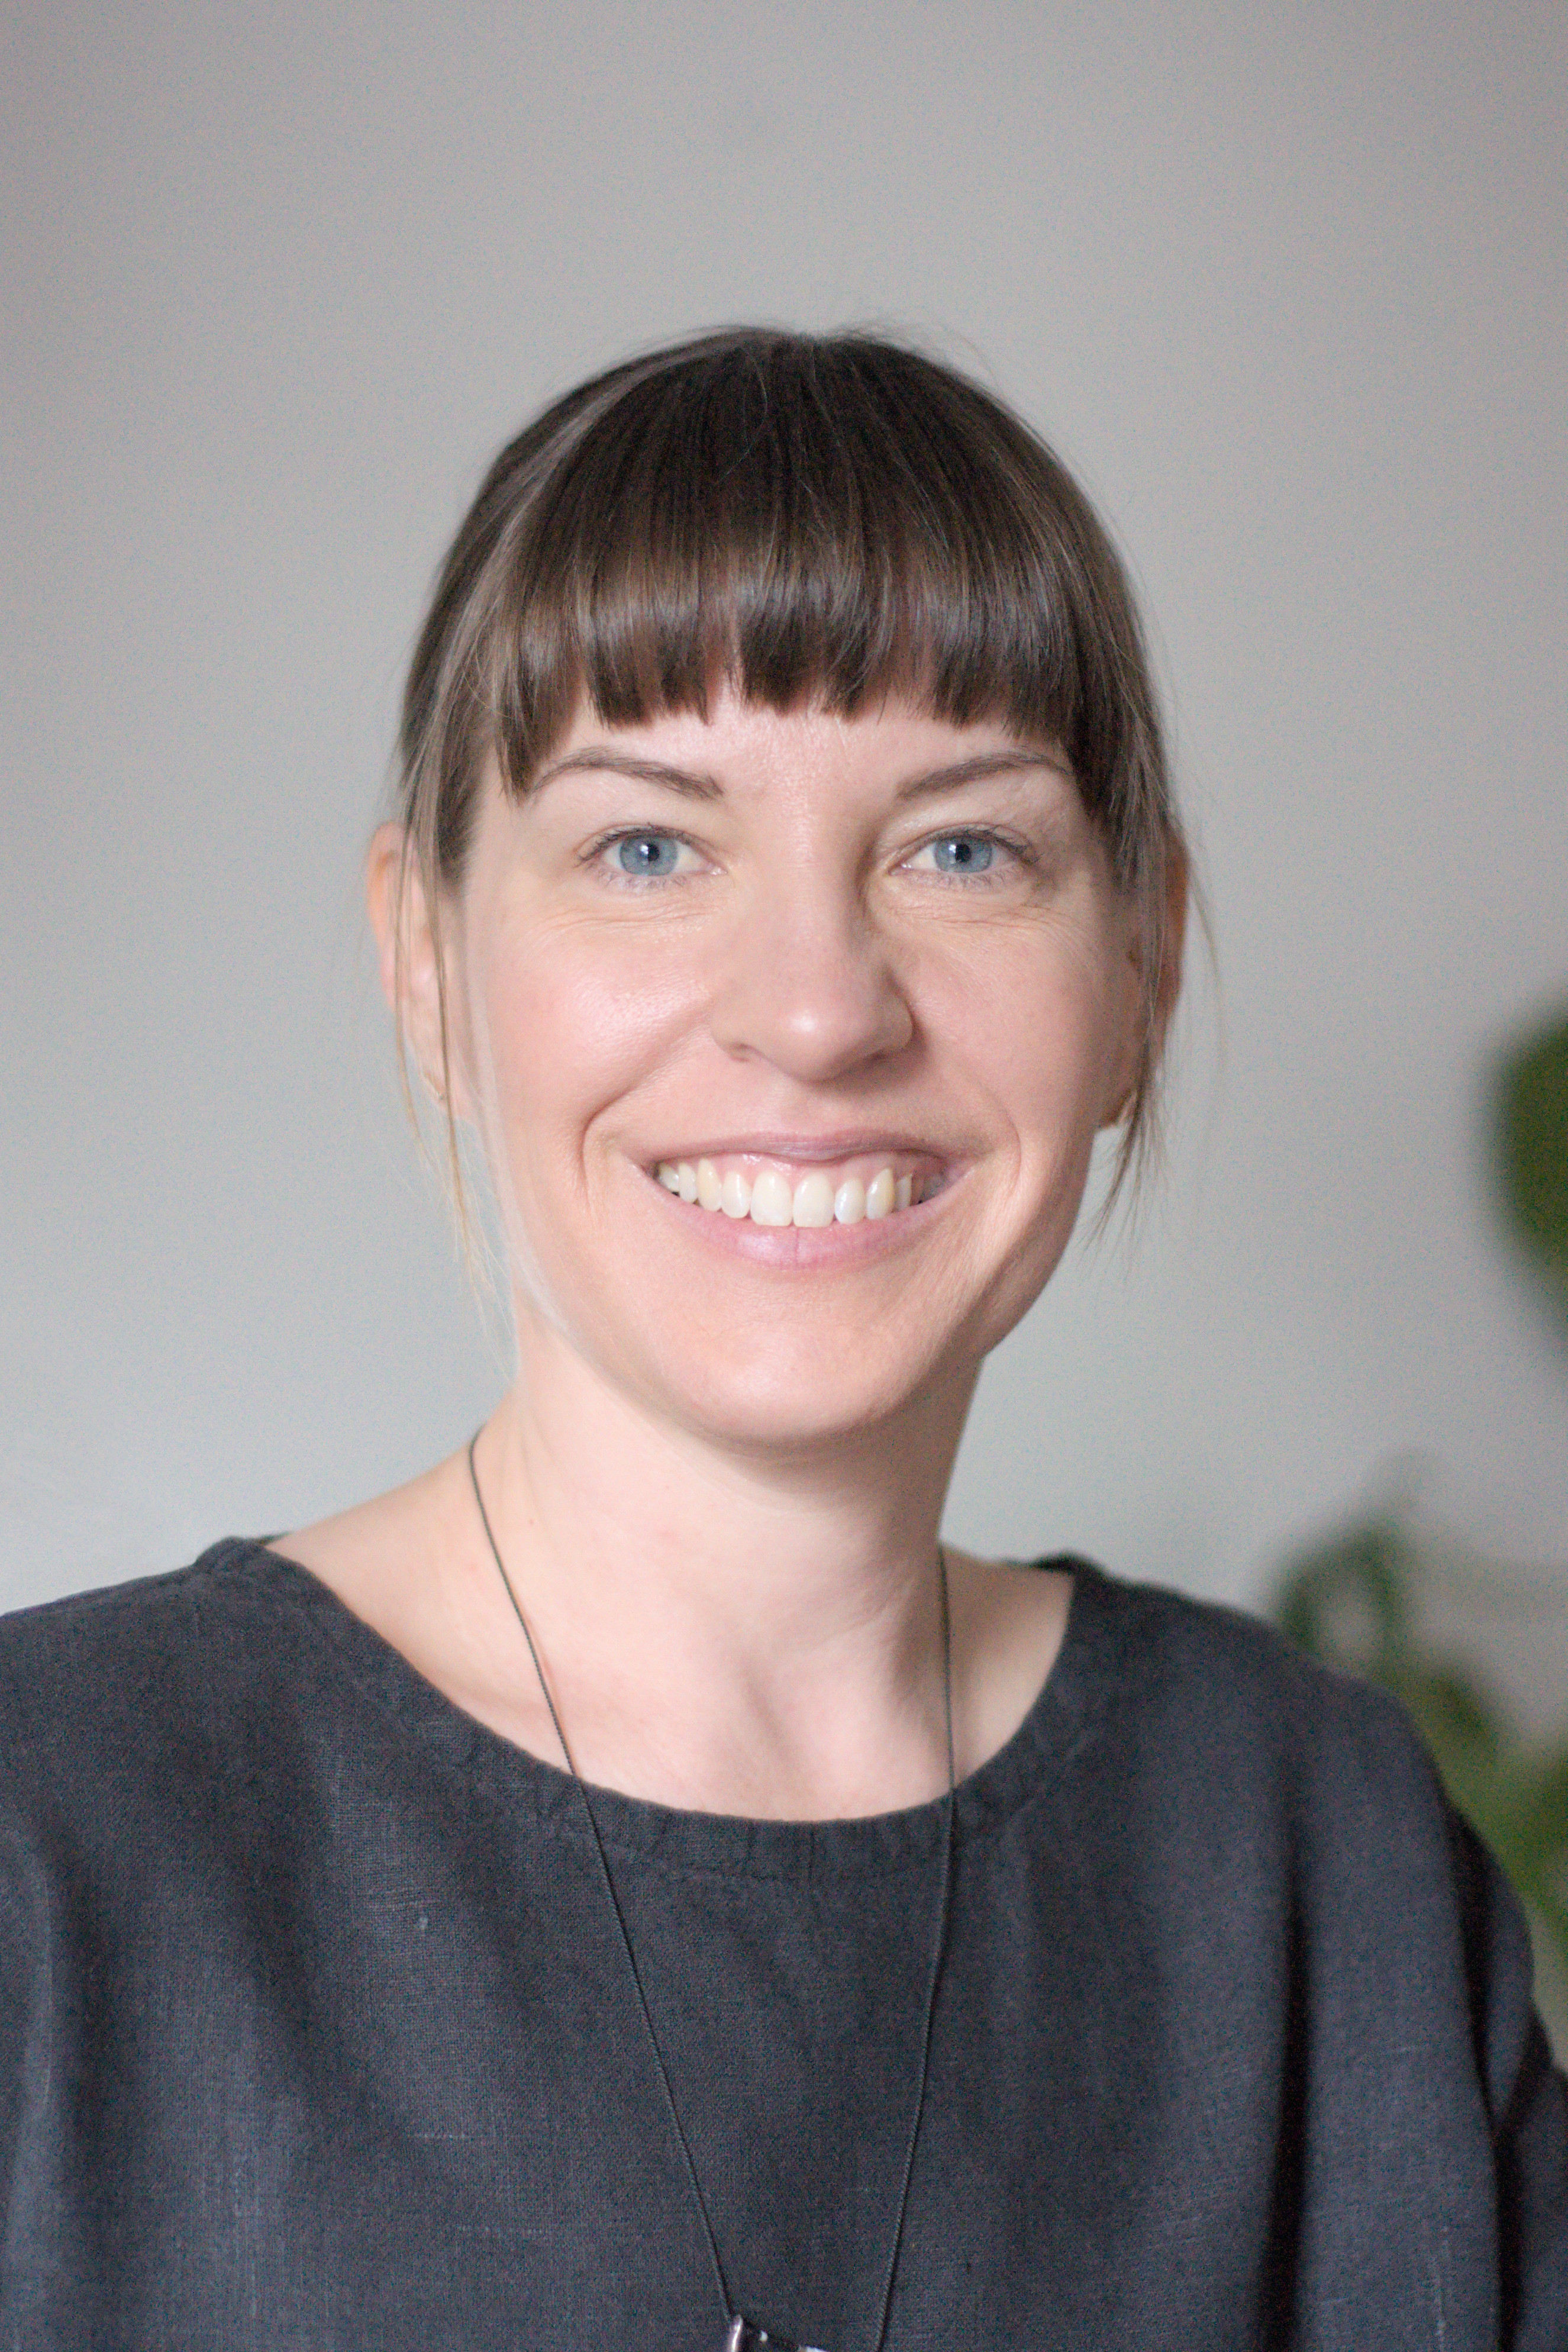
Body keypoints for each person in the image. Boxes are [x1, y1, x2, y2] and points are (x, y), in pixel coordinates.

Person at [1, 328, 1563, 2351]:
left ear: (1142, 968)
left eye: (963, 848)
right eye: (648, 847)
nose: (820, 1010)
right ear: (422, 957)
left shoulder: (1319, 1861)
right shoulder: (52, 1832)